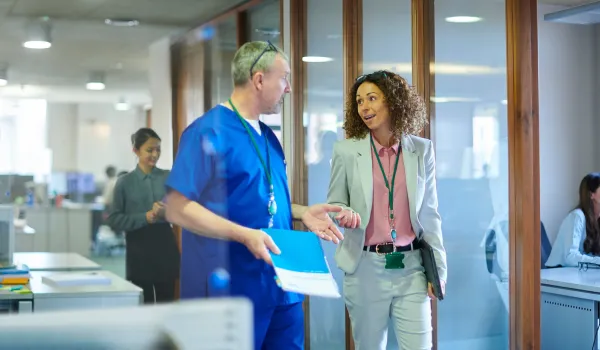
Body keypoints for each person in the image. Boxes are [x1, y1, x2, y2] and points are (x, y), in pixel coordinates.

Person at [164, 41, 345, 350]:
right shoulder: (207, 132)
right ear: (259, 79)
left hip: (282, 286)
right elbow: (177, 208)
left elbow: (261, 198)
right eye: (284, 77)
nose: (288, 88)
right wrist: (244, 234)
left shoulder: (268, 137)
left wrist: (300, 213)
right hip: (232, 291)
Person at [327, 70, 447, 350]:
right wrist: (343, 213)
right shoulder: (346, 151)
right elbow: (335, 203)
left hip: (412, 267)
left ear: (393, 101)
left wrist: (438, 271)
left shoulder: (421, 150)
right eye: (359, 101)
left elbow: (430, 214)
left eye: (372, 98)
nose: (364, 108)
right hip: (365, 267)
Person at [107, 128, 180, 304]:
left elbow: (182, 211)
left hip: (165, 246)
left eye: (158, 150)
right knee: (143, 304)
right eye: (149, 150)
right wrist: (144, 217)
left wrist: (166, 213)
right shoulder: (124, 182)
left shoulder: (168, 177)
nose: (155, 154)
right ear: (136, 150)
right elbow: (114, 219)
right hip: (138, 249)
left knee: (167, 304)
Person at [546, 173, 600, 267]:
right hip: (557, 276)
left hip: (577, 274)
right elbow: (571, 256)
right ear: (591, 194)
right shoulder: (577, 217)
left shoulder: (597, 219)